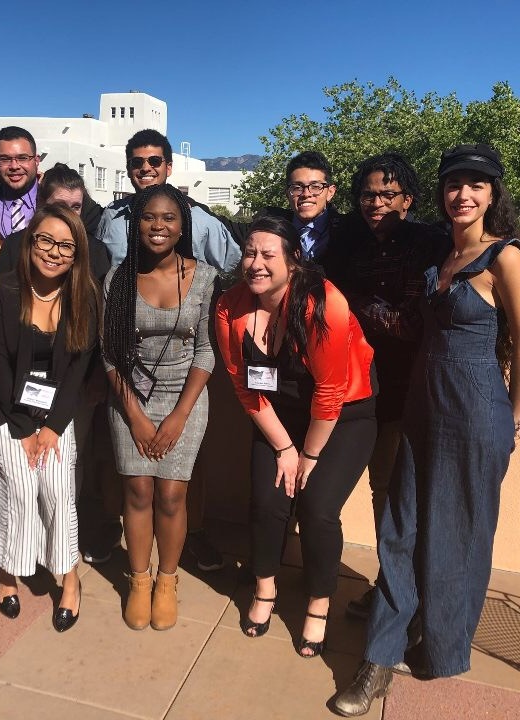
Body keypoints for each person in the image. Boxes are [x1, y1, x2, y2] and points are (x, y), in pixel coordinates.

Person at [333, 144, 520, 716]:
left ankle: (435, 642)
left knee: (458, 537)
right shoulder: (441, 256)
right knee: (399, 529)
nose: (462, 194)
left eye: (476, 185)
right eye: (454, 184)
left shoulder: (506, 257)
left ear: (493, 194)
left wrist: (513, 415)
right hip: (421, 406)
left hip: (476, 411)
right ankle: (380, 657)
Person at [215, 215, 376, 656]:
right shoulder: (230, 306)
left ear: (294, 261)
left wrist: (308, 455)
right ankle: (264, 587)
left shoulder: (323, 303)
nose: (257, 264)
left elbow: (331, 391)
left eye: (269, 254)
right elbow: (242, 384)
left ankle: (318, 603)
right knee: (268, 501)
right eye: (250, 252)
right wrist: (284, 447)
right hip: (278, 415)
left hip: (342, 416)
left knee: (318, 506)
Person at [0, 203, 99, 631]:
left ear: (77, 254)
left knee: (57, 486)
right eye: (46, 240)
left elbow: (78, 369)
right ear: (30, 241)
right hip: (3, 408)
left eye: (66, 246)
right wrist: (24, 431)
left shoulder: (85, 296)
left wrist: (52, 428)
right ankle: (7, 570)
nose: (54, 252)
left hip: (54, 411)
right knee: (21, 484)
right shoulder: (3, 292)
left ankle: (69, 577)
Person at [326, 153, 446, 620]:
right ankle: (389, 586)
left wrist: (349, 301)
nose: (375, 203)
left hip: (408, 390)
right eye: (367, 195)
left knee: (398, 496)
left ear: (408, 200)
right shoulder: (349, 241)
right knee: (378, 492)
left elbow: (408, 324)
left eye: (387, 195)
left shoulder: (428, 243)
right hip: (357, 387)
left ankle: (402, 596)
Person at [103, 184, 217, 631]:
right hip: (129, 395)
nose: (158, 226)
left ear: (182, 225)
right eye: (149, 217)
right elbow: (110, 354)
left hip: (184, 397)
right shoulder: (118, 278)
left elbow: (206, 353)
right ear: (136, 223)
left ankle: (167, 581)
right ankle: (138, 579)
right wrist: (134, 416)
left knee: (171, 494)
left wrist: (178, 416)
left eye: (169, 218)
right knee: (138, 492)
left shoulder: (204, 277)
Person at [96, 128, 241, 271]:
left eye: (155, 161)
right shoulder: (112, 215)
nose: (146, 168)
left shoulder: (200, 220)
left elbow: (235, 267)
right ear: (128, 169)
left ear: (169, 168)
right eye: (137, 162)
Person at [0, 162, 110, 280]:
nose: (68, 214)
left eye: (76, 207)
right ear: (40, 202)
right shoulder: (15, 245)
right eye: (60, 206)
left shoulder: (95, 251)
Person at [0, 127, 102, 240]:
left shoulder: (67, 198)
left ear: (36, 160)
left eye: (22, 158)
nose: (14, 166)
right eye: (4, 159)